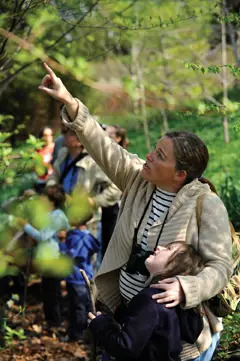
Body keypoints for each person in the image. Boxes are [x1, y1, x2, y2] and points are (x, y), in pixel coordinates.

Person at [39, 63, 232, 361]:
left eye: (160, 155)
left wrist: (187, 287)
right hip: (130, 322)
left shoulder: (206, 205)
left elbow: (220, 266)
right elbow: (103, 146)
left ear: (180, 174)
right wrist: (70, 102)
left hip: (178, 339)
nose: (150, 156)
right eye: (155, 149)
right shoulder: (139, 178)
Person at [88, 241, 205, 361]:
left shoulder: (151, 299)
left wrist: (102, 324)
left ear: (177, 267)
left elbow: (125, 347)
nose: (159, 247)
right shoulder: (181, 303)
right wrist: (124, 313)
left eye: (169, 249)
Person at [18, 184, 70, 327]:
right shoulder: (49, 214)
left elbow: (43, 236)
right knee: (48, 291)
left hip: (53, 258)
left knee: (51, 292)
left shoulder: (57, 216)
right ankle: (52, 321)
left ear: (52, 201)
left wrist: (25, 226)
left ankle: (55, 322)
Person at [59, 215, 100, 342]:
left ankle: (77, 335)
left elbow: (70, 255)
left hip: (75, 276)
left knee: (77, 307)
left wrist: (61, 243)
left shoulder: (75, 237)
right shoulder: (88, 235)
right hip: (86, 275)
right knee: (83, 306)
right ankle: (82, 333)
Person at [35, 127, 54, 192]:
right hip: (42, 181)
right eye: (45, 135)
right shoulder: (38, 150)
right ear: (41, 137)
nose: (48, 138)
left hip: (54, 180)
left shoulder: (56, 148)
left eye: (50, 135)